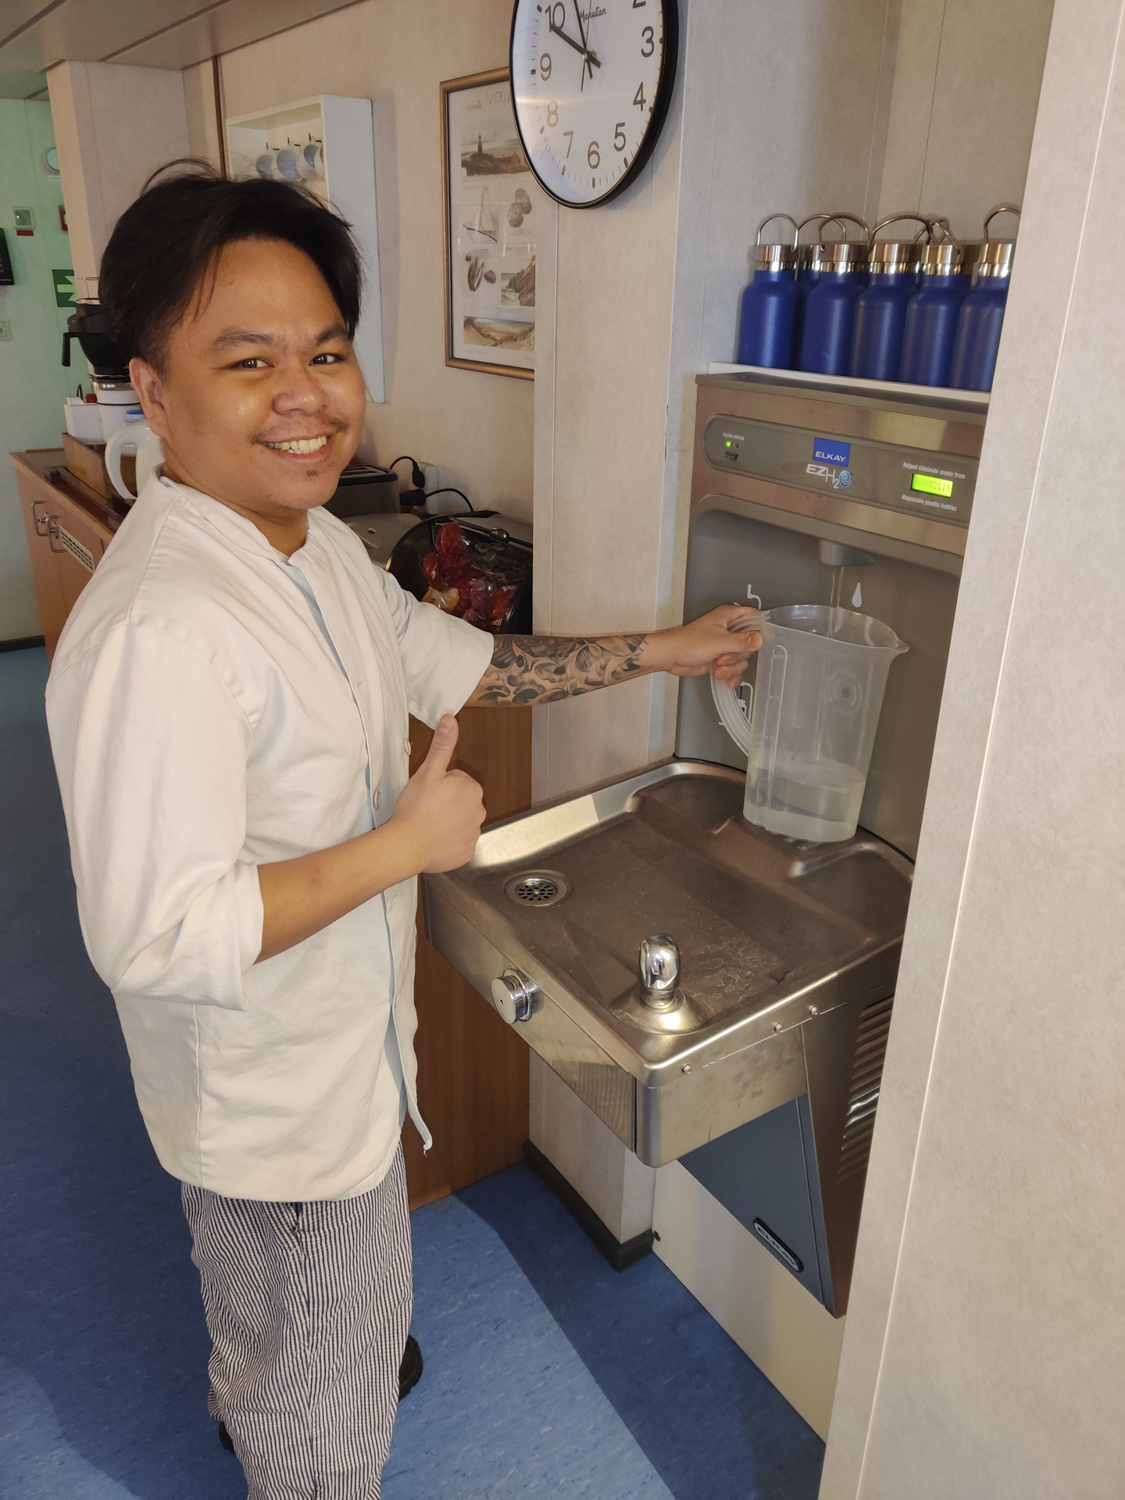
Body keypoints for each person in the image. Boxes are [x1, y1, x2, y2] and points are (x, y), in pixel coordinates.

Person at [44, 164, 761, 1500]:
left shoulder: (306, 546)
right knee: (323, 1422)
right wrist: (404, 841)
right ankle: (299, 1429)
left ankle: (272, 1379)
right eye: (245, 361)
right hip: (275, 1108)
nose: (306, 395)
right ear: (150, 388)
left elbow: (459, 661)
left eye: (324, 349)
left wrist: (665, 650)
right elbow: (155, 934)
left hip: (336, 1057)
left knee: (283, 1321)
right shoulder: (162, 631)